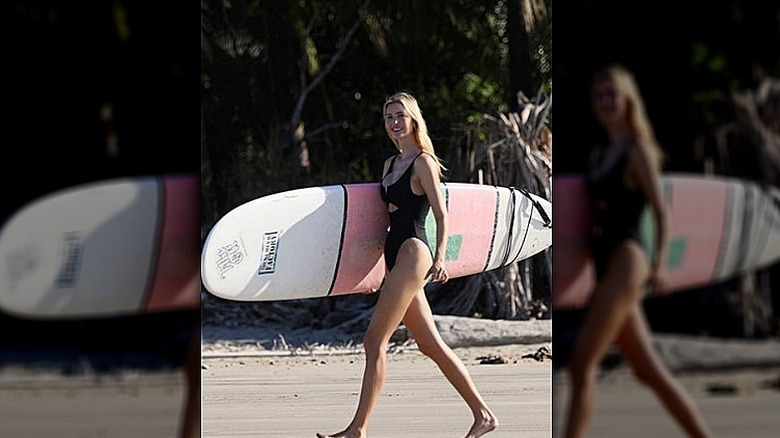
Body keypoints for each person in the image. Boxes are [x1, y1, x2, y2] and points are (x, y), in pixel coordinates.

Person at [316, 92, 498, 438]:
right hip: (394, 254)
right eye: (389, 117)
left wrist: (441, 255)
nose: (395, 122)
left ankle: (358, 429)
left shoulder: (423, 162)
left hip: (415, 253)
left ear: (414, 119)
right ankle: (484, 415)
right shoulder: (390, 164)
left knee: (373, 341)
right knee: (430, 345)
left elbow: (442, 213)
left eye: (400, 115)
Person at [562, 64, 713, 438]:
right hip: (606, 265)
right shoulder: (601, 154)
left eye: (612, 94)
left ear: (628, 98)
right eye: (599, 96)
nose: (605, 102)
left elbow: (661, 212)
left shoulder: (638, 150)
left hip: (629, 261)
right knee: (650, 372)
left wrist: (660, 265)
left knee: (582, 365)